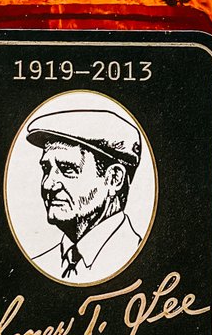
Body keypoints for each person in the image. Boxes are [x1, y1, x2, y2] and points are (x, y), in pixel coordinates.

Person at [25, 108, 143, 283]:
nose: (48, 184)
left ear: (114, 179)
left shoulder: (139, 259)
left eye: (67, 169)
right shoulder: (39, 265)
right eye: (46, 169)